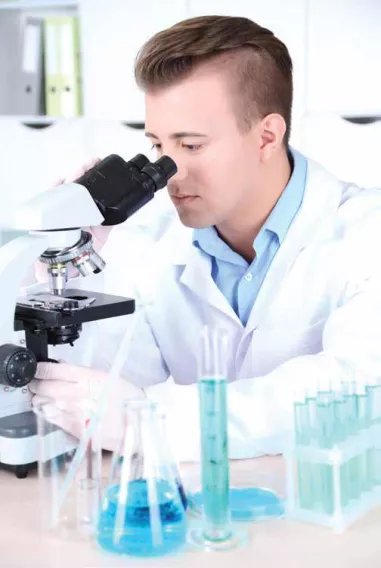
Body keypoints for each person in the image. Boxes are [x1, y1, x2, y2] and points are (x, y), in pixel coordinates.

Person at [29, 15, 381, 461]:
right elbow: (104, 402)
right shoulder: (148, 249)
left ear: (267, 136)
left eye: (191, 145)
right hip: (203, 516)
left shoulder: (368, 234)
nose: (170, 174)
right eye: (157, 146)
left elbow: (359, 389)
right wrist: (65, 270)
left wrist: (151, 421)